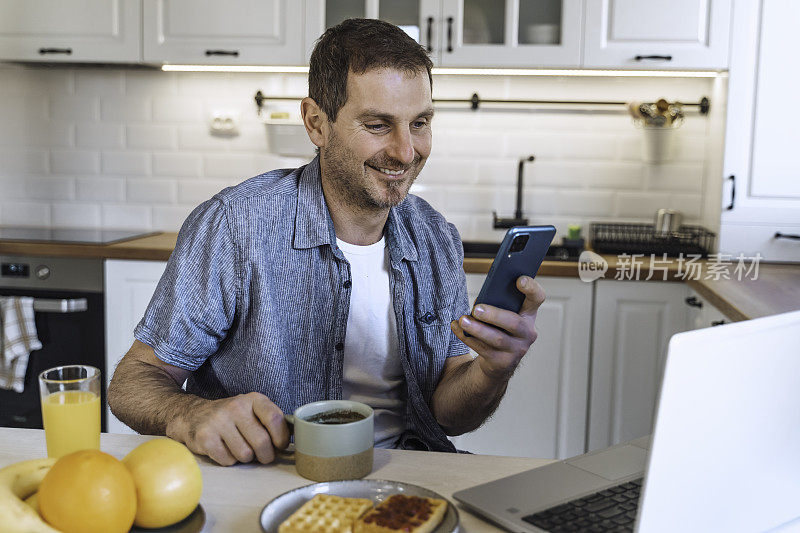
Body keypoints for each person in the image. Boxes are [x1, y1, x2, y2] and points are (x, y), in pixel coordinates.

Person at [108, 18, 545, 466]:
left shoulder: (435, 238)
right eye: (378, 125)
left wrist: (493, 369)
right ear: (317, 123)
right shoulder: (235, 227)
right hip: (278, 474)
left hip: (411, 473)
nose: (406, 152)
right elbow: (132, 382)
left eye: (419, 123)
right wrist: (191, 413)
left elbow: (448, 416)